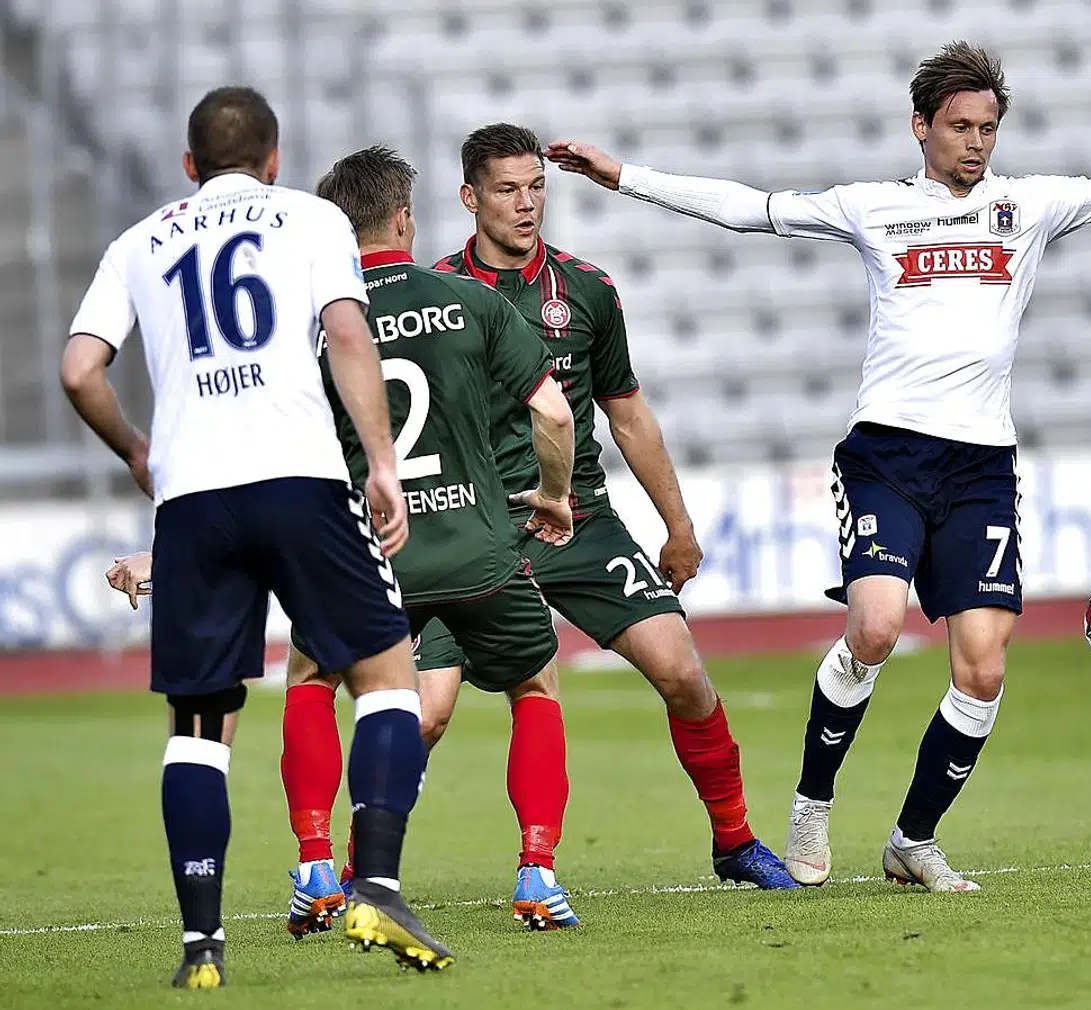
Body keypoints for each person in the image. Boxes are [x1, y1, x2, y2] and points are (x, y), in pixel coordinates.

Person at [546, 42, 1091, 891]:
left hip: (981, 466)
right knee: (878, 626)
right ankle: (812, 802)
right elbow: (749, 209)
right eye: (960, 126)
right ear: (920, 127)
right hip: (886, 452)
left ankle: (912, 841)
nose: (976, 143)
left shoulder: (1028, 207)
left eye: (989, 128)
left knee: (984, 665)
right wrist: (623, 175)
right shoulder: (872, 208)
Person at [61, 88, 452, 988]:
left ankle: (201, 948)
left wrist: (133, 449)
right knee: (387, 677)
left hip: (194, 502)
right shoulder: (312, 220)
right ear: (274, 160)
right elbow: (347, 332)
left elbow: (80, 369)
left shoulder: (139, 242)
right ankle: (378, 889)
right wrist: (383, 461)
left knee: (199, 728)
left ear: (189, 165)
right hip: (300, 482)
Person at [429, 123, 798, 890]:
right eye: (507, 189)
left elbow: (626, 412)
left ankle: (734, 843)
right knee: (427, 714)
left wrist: (679, 526)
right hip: (475, 528)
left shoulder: (587, 289)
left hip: (582, 525)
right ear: (470, 197)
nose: (527, 204)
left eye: (537, 187)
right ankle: (365, 871)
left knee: (682, 672)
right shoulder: (439, 297)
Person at [282, 144, 582, 933]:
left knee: (312, 681)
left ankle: (317, 868)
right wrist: (553, 498)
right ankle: (538, 875)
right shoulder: (471, 302)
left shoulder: (314, 326)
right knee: (535, 689)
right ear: (406, 218)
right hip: (478, 550)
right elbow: (553, 411)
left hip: (370, 555)